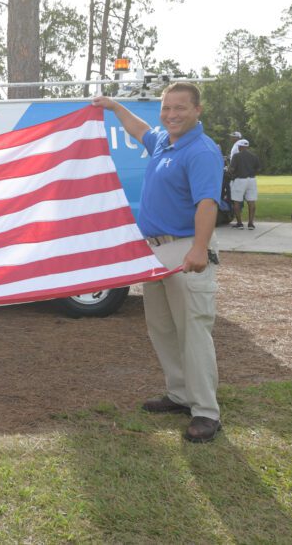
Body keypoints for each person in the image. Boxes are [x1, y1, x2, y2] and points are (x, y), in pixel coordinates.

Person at [93, 83, 224, 443]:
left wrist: (199, 248)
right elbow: (139, 129)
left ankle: (206, 412)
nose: (171, 115)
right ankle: (180, 394)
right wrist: (115, 107)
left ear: (197, 110)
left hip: (184, 250)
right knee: (162, 328)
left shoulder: (201, 151)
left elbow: (207, 204)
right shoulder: (165, 141)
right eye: (166, 108)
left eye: (180, 108)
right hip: (154, 252)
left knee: (193, 332)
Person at [227, 139, 259, 229]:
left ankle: (240, 223)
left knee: (236, 201)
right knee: (251, 201)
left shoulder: (236, 156)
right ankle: (251, 224)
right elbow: (258, 169)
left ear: (240, 147)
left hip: (240, 180)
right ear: (247, 146)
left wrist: (230, 171)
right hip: (252, 180)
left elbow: (232, 169)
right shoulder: (254, 156)